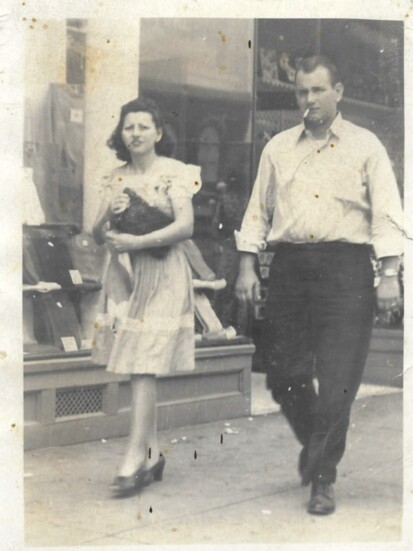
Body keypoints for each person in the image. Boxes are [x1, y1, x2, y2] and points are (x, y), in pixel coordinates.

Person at [235, 55, 403, 515]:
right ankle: (317, 446)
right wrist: (247, 266)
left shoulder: (366, 145)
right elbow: (257, 211)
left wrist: (389, 275)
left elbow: (388, 214)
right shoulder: (278, 148)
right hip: (288, 267)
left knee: (337, 380)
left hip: (346, 268)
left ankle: (322, 477)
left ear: (339, 92)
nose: (307, 100)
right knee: (284, 373)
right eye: (300, 92)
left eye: (316, 90)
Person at [92, 97, 202, 496]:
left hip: (164, 272)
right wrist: (110, 215)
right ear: (120, 133)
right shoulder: (114, 176)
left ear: (158, 132)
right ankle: (153, 453)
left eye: (143, 126)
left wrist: (137, 237)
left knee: (142, 362)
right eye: (128, 126)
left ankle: (134, 456)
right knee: (141, 362)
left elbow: (186, 227)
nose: (135, 133)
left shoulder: (174, 172)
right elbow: (94, 234)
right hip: (126, 274)